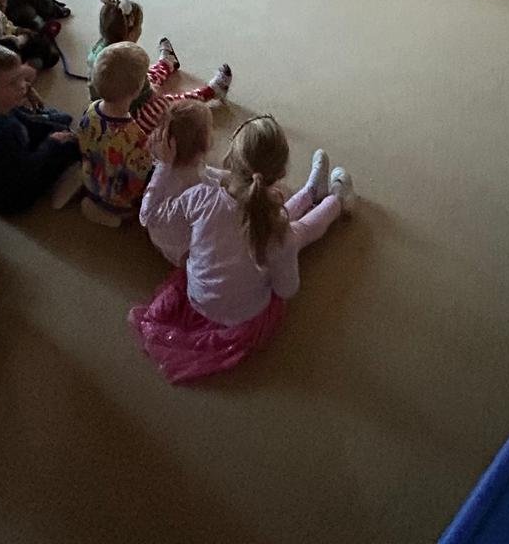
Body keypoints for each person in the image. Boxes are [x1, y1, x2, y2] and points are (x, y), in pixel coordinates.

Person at [133, 116, 356, 383]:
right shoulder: (278, 230)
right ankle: (336, 200)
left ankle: (310, 192)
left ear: (230, 159)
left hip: (198, 298)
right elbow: (286, 289)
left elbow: (150, 216)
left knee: (277, 226)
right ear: (280, 174)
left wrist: (163, 165)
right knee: (298, 231)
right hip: (243, 318)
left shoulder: (201, 196)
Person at [0, 44, 79, 214]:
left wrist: (55, 127)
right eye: (12, 83)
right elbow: (26, 171)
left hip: (10, 164)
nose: (22, 86)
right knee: (68, 147)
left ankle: (53, 127)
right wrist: (51, 144)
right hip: (9, 199)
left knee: (54, 126)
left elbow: (27, 121)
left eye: (21, 77)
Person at [89, 0, 231, 121]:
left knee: (145, 75)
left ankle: (167, 63)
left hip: (107, 105)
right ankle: (211, 92)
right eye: (139, 27)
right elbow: (146, 94)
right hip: (128, 114)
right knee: (166, 105)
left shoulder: (100, 52)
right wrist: (151, 93)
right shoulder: (127, 62)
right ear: (130, 34)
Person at [54, 43, 156, 228]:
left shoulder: (91, 109)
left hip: (91, 176)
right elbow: (139, 177)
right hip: (120, 198)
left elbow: (83, 141)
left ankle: (89, 191)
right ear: (137, 91)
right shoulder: (135, 136)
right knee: (155, 180)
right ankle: (113, 215)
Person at [136, 102, 219, 263]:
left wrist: (164, 163)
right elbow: (146, 216)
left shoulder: (163, 160)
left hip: (160, 226)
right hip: (177, 246)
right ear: (204, 144)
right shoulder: (202, 185)